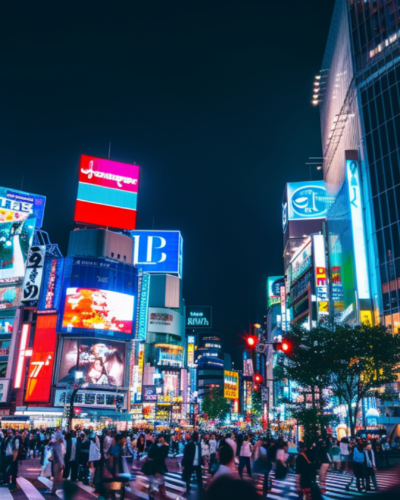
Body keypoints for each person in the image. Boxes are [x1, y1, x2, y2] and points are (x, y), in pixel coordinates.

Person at [182, 431, 203, 496]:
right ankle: (188, 489)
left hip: (197, 464)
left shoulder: (199, 445)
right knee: (188, 477)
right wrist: (185, 463)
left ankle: (201, 490)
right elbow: (185, 455)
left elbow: (200, 454)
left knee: (199, 477)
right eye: (197, 437)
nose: (198, 438)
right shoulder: (189, 445)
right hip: (190, 463)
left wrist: (201, 461)